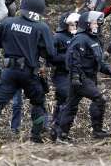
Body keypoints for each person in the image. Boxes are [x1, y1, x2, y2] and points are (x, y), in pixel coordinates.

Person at [0, 0, 57, 143]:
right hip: (29, 73)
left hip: (9, 72)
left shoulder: (8, 23)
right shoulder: (42, 27)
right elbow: (50, 54)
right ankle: (35, 137)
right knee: (38, 103)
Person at [56, 11, 111, 141]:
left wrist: (108, 70)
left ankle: (61, 134)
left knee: (71, 105)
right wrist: (76, 77)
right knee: (100, 99)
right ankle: (97, 131)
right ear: (87, 24)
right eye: (94, 23)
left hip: (89, 77)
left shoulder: (94, 39)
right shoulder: (80, 39)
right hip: (81, 78)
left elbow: (98, 60)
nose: (97, 25)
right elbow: (72, 59)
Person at [49, 11, 80, 139]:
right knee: (67, 100)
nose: (74, 27)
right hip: (61, 74)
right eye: (72, 25)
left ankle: (56, 129)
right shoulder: (58, 37)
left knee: (63, 101)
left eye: (75, 25)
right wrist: (68, 57)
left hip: (72, 74)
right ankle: (58, 128)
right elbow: (51, 57)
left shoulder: (76, 37)